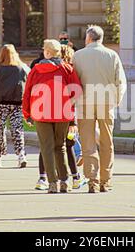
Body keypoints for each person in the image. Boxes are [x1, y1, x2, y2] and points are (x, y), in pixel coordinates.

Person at [72, 25, 127, 193]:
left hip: (85, 103)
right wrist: (117, 100)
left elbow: (74, 81)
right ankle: (106, 180)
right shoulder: (112, 55)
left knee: (88, 144)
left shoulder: (78, 55)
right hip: (106, 102)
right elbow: (121, 82)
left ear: (88, 38)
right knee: (107, 142)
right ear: (101, 39)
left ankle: (92, 180)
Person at [23, 39, 82, 193]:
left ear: (47, 52)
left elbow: (27, 92)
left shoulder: (36, 70)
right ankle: (64, 181)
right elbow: (76, 91)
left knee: (46, 147)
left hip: (40, 113)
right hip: (62, 113)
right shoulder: (66, 69)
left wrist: (27, 113)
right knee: (60, 146)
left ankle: (52, 183)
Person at [0, 44, 28, 169]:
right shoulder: (21, 68)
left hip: (1, 103)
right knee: (17, 129)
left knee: (0, 130)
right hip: (16, 103)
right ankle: (21, 155)